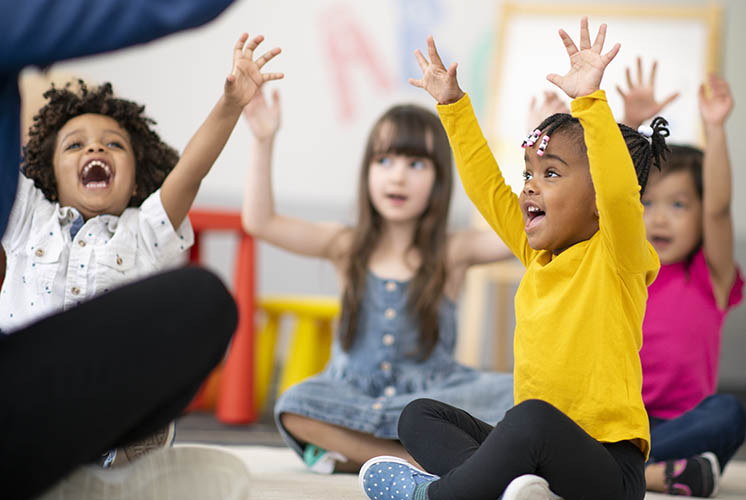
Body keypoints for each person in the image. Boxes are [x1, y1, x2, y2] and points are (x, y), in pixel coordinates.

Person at [359, 18, 667, 500]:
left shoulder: (619, 255)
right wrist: (452, 107)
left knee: (531, 419)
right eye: (529, 172)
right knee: (419, 415)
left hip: (609, 469)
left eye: (551, 173)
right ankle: (509, 491)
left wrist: (589, 101)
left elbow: (620, 193)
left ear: (597, 199)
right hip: (538, 460)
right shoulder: (534, 252)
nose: (529, 185)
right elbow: (487, 189)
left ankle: (439, 496)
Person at [0, 2, 261, 498]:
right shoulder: (28, 216)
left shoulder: (146, 230)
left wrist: (230, 105)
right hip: (33, 395)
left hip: (104, 408)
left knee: (205, 297)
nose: (95, 151)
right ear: (47, 173)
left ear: (136, 174)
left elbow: (192, 171)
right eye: (74, 146)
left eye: (113, 146)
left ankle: (112, 464)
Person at [241, 89, 515, 473]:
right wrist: (262, 139)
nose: (398, 176)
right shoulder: (347, 245)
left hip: (433, 398)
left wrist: (540, 158)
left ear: (439, 179)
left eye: (416, 164)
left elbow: (523, 232)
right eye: (384, 160)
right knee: (294, 405)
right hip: (352, 395)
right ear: (367, 171)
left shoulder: (453, 250)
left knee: (524, 395)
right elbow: (261, 222)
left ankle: (361, 454)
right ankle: (409, 460)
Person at [618, 63, 745, 497]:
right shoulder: (625, 266)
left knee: (728, 413)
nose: (658, 218)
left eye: (678, 205)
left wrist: (716, 130)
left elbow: (720, 210)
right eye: (647, 202)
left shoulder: (710, 275)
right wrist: (629, 126)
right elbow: (609, 192)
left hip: (683, 425)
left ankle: (614, 469)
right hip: (621, 421)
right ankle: (661, 473)